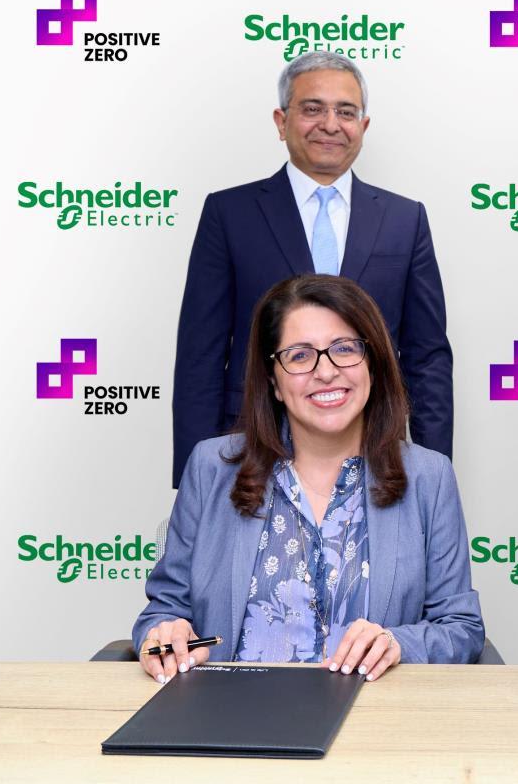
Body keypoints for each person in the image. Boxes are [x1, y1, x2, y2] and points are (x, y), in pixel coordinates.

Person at [137, 275, 482, 682]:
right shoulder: (211, 467)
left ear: (372, 363)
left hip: (373, 715)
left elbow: (460, 628)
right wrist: (165, 634)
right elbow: (163, 611)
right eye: (300, 356)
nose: (326, 371)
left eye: (345, 349)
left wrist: (398, 643)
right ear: (273, 380)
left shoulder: (428, 477)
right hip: (230, 712)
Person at [172, 50, 452, 488]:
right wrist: (193, 480)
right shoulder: (229, 214)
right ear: (281, 122)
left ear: (363, 126)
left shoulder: (404, 219)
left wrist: (437, 473)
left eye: (346, 111)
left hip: (375, 450)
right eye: (313, 109)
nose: (330, 124)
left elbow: (427, 357)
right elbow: (200, 354)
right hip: (253, 450)